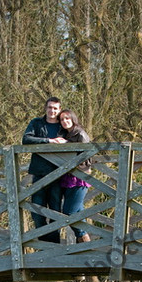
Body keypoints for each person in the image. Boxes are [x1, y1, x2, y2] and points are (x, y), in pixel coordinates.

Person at [22, 97, 67, 243]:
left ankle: (53, 246)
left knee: (55, 211)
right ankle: (43, 243)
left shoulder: (63, 126)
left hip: (58, 174)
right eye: (50, 107)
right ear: (45, 108)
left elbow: (78, 136)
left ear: (59, 110)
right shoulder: (36, 123)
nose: (52, 111)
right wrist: (49, 141)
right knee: (37, 211)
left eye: (55, 108)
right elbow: (26, 139)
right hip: (39, 174)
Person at [58, 109, 91, 243]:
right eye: (62, 119)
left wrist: (66, 145)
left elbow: (85, 157)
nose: (65, 121)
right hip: (66, 177)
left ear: (73, 119)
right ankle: (82, 239)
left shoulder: (80, 134)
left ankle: (83, 236)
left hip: (79, 177)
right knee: (78, 210)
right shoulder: (64, 134)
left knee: (69, 211)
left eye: (67, 118)